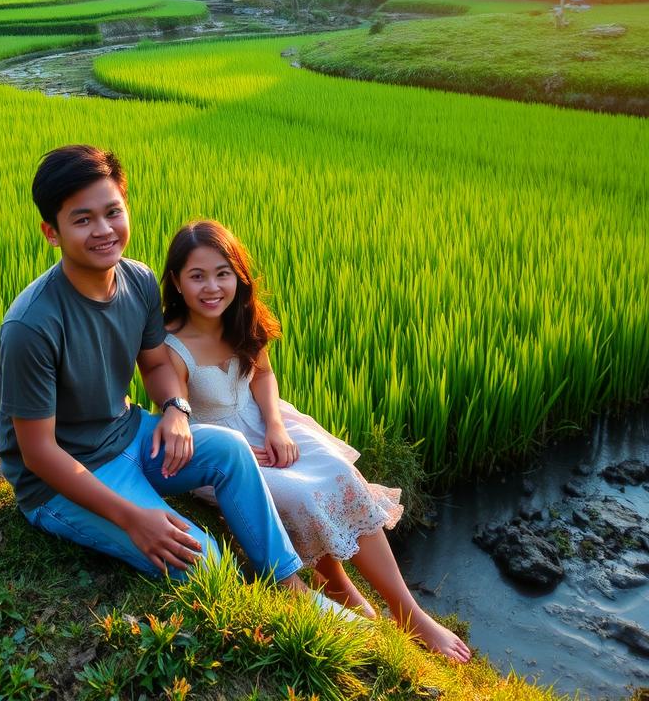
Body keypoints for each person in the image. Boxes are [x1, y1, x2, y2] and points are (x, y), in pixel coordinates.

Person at [0, 145, 352, 616]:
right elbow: (39, 453)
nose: (103, 231)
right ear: (52, 232)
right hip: (62, 479)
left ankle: (291, 588)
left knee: (229, 449)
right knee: (207, 562)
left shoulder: (138, 281)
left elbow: (156, 365)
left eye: (112, 212)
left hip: (126, 432)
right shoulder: (32, 325)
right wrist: (132, 517)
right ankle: (252, 606)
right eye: (82, 220)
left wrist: (176, 411)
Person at [161, 219, 472, 664]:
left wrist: (276, 426)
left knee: (339, 473)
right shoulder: (171, 345)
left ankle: (409, 612)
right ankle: (341, 588)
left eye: (222, 273)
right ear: (176, 280)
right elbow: (179, 416)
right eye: (197, 276)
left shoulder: (240, 319)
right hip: (221, 450)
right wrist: (238, 451)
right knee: (303, 494)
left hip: (268, 425)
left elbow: (263, 375)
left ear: (238, 276)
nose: (212, 287)